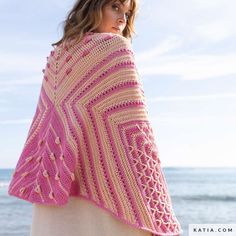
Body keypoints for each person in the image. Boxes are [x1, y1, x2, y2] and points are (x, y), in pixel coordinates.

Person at [8, 0, 183, 235]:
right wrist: (152, 202)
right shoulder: (115, 47)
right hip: (107, 202)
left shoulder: (58, 57)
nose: (122, 18)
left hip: (54, 195)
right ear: (93, 6)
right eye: (115, 7)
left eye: (127, 13)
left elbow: (48, 125)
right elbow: (136, 132)